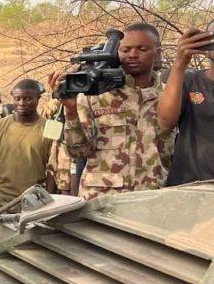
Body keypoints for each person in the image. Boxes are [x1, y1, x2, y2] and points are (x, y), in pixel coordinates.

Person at [54, 23, 171, 200]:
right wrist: (71, 111)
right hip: (102, 198)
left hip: (152, 195)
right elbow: (78, 152)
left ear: (158, 53)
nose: (132, 54)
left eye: (142, 48)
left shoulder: (169, 96)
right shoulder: (95, 94)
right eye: (125, 50)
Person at [157, 18, 214, 185]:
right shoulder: (188, 80)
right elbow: (165, 123)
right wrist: (180, 63)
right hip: (189, 186)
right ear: (203, 42)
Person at [0, 79, 55, 203]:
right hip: (0, 200)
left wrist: (50, 201)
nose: (21, 103)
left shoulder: (50, 129)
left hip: (34, 200)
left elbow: (52, 170)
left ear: (38, 98)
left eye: (27, 98)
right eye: (17, 98)